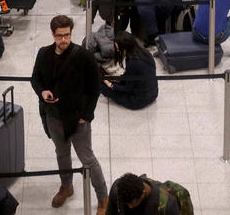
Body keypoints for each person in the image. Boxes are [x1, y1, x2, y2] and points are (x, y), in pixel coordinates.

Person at [30, 15, 108, 213]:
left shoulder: (84, 56)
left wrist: (86, 115)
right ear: (52, 34)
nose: (63, 40)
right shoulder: (44, 54)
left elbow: (95, 87)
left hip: (76, 117)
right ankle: (67, 186)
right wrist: (43, 92)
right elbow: (35, 79)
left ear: (71, 33)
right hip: (53, 116)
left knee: (87, 158)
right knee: (61, 153)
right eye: (59, 36)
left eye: (67, 35)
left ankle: (103, 197)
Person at [100, 31, 158, 110]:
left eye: (118, 49)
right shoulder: (146, 52)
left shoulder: (133, 63)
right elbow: (130, 78)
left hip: (138, 101)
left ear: (124, 48)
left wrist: (110, 85)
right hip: (153, 94)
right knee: (112, 81)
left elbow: (127, 88)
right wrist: (114, 79)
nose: (117, 51)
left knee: (102, 86)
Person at [106, 173, 181, 215]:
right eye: (126, 203)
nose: (130, 207)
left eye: (132, 203)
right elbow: (110, 212)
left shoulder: (168, 205)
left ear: (143, 193)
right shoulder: (117, 189)